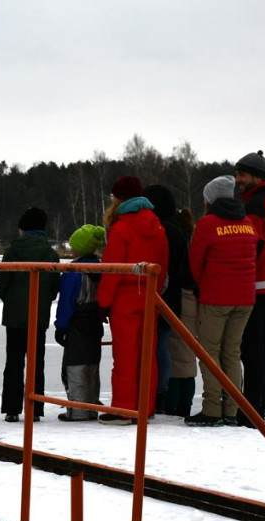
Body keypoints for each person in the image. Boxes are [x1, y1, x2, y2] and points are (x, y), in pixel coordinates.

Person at [185, 176, 258, 426]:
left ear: (211, 200)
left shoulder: (208, 224)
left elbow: (195, 262)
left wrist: (202, 285)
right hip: (245, 298)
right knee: (231, 352)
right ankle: (232, 410)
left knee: (209, 353)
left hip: (216, 298)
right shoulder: (247, 223)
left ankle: (211, 409)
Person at [96, 175, 169, 425]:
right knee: (147, 353)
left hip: (125, 300)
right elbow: (163, 263)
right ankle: (145, 407)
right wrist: (156, 292)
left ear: (119, 198)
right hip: (149, 296)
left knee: (125, 355)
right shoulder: (157, 225)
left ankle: (124, 408)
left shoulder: (121, 228)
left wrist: (103, 301)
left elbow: (112, 269)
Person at [0, 207, 60, 423]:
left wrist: (12, 301)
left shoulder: (12, 251)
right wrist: (43, 301)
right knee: (36, 363)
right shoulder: (51, 253)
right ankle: (35, 408)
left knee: (13, 362)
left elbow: (2, 282)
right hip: (38, 316)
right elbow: (54, 286)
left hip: (14, 316)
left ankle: (11, 409)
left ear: (22, 229)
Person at [235, 151, 265, 427]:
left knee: (251, 354)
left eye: (242, 175)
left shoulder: (255, 205)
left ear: (257, 177)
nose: (238, 179)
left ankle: (251, 414)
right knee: (257, 355)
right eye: (237, 174)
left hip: (255, 287)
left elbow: (251, 245)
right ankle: (256, 410)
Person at [143, 184, 189, 413]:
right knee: (162, 345)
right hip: (173, 299)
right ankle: (162, 391)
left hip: (160, 297)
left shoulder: (161, 229)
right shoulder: (178, 230)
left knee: (157, 346)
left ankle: (158, 390)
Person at [54, 224, 105, 421]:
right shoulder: (101, 268)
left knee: (74, 364)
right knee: (91, 364)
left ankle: (78, 409)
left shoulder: (74, 271)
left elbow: (67, 301)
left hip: (77, 322)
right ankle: (90, 405)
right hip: (94, 322)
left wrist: (61, 326)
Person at [164, 207, 199, 417]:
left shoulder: (175, 242)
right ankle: (184, 404)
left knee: (176, 361)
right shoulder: (191, 242)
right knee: (188, 360)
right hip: (191, 300)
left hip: (180, 299)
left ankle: (174, 405)